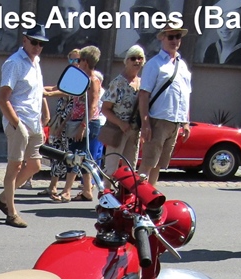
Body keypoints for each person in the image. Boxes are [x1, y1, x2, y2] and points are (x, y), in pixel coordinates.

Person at [0, 24, 50, 228]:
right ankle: (11, 213)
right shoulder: (14, 63)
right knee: (15, 167)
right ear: (24, 39)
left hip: (34, 122)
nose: (37, 47)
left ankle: (3, 198)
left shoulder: (36, 62)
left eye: (41, 44)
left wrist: (43, 115)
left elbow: (36, 93)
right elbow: (2, 99)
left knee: (35, 165)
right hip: (18, 122)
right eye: (34, 42)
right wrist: (17, 124)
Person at [138, 20, 192, 187]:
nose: (174, 40)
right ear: (163, 38)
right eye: (171, 37)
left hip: (175, 121)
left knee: (159, 164)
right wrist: (145, 123)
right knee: (148, 162)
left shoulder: (182, 65)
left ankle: (150, 195)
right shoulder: (154, 64)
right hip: (158, 120)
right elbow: (144, 94)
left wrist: (186, 122)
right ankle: (136, 195)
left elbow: (186, 94)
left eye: (177, 36)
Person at [60, 45, 102, 202]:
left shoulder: (93, 81)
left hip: (87, 123)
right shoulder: (82, 79)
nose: (78, 62)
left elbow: (93, 106)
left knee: (75, 156)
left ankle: (67, 191)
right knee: (82, 157)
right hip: (78, 121)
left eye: (80, 60)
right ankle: (87, 190)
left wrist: (83, 126)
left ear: (86, 61)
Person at [40, 49, 80, 202]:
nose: (74, 63)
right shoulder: (69, 75)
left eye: (77, 60)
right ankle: (53, 186)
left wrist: (48, 94)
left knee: (65, 155)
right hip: (60, 119)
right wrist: (41, 88)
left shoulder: (81, 78)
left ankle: (64, 188)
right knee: (56, 154)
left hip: (67, 122)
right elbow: (56, 88)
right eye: (71, 60)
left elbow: (67, 94)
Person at [102, 45, 144, 176]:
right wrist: (120, 123)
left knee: (130, 170)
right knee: (111, 168)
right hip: (117, 130)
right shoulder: (117, 83)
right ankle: (106, 189)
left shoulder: (143, 83)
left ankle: (125, 190)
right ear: (126, 61)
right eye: (133, 58)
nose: (137, 61)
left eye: (140, 58)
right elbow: (105, 109)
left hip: (135, 131)